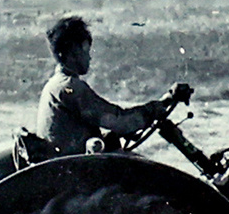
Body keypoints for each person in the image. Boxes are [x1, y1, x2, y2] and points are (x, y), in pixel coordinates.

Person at [35, 16, 184, 155]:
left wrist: (165, 101)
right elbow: (119, 121)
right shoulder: (70, 87)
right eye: (85, 50)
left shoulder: (55, 85)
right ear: (71, 53)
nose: (89, 57)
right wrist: (154, 109)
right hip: (77, 168)